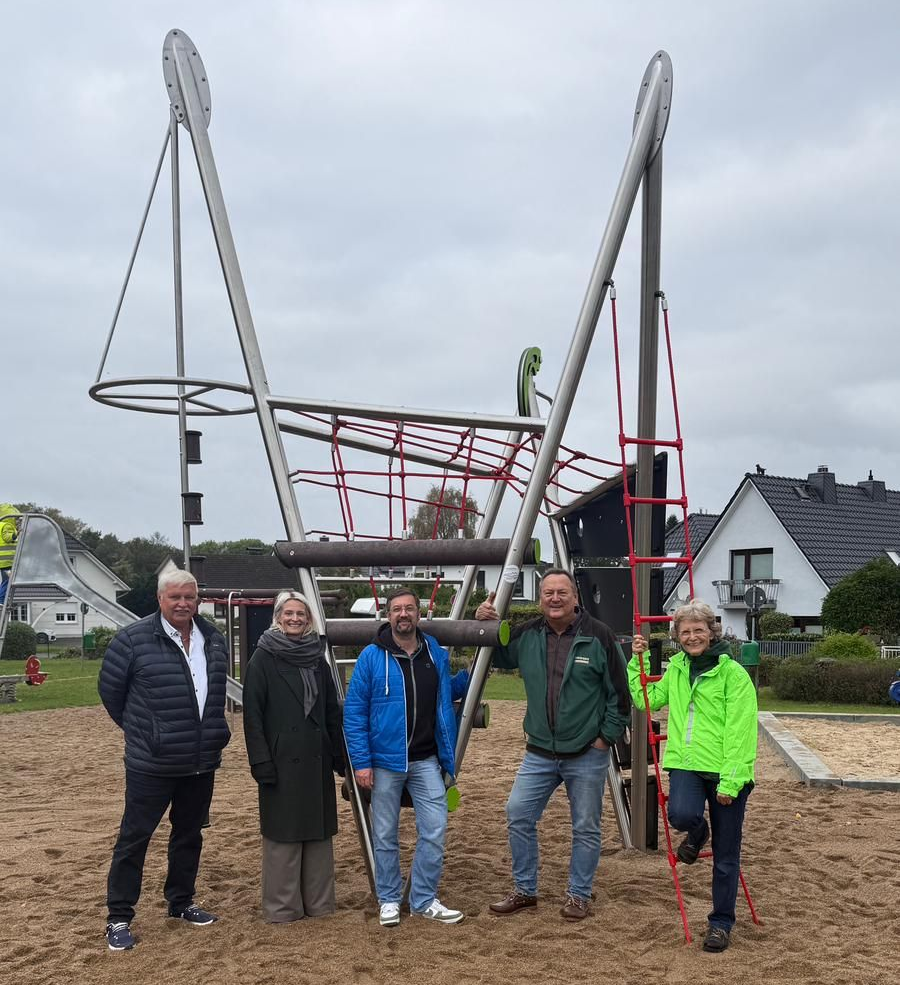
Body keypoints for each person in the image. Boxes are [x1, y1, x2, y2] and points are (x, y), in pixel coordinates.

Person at [475, 568, 630, 920]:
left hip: (586, 751)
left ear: (575, 597)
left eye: (562, 592)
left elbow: (620, 694)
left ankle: (578, 895)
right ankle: (525, 890)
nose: (555, 599)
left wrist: (605, 738)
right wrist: (485, 624)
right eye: (548, 593)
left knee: (586, 826)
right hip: (540, 751)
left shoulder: (598, 636)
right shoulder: (528, 633)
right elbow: (497, 656)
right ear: (540, 598)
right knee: (517, 814)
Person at [98, 569, 231, 951]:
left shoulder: (212, 639)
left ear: (198, 599)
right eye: (175, 597)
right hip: (151, 763)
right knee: (134, 838)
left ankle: (181, 901)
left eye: (189, 597)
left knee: (189, 834)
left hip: (201, 759)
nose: (183, 604)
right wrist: (146, 733)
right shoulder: (132, 641)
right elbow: (112, 694)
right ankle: (119, 916)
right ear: (160, 599)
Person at [629, 599, 757, 953]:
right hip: (686, 762)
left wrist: (731, 781)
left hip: (726, 769)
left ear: (711, 631)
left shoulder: (733, 675)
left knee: (726, 854)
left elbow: (741, 731)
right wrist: (636, 661)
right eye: (684, 632)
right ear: (677, 636)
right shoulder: (677, 669)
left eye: (698, 630)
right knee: (681, 814)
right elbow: (646, 700)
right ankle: (697, 832)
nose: (692, 637)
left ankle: (720, 923)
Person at [343, 587, 469, 927]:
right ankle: (388, 898)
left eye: (409, 609)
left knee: (435, 829)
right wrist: (362, 761)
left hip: (426, 759)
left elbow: (447, 691)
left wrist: (474, 671)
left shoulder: (435, 653)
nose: (403, 615)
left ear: (419, 613)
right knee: (384, 832)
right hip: (384, 762)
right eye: (397, 609)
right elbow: (355, 713)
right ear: (388, 616)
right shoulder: (371, 656)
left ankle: (423, 899)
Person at [242, 590, 345, 923]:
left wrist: (339, 757)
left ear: (309, 619)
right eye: (289, 613)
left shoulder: (317, 658)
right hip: (280, 760)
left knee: (317, 833)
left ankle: (319, 904)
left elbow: (331, 711)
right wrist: (260, 761)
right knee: (283, 835)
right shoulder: (262, 657)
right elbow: (253, 716)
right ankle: (283, 908)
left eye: (301, 614)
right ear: (278, 617)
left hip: (315, 758)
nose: (295, 619)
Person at [0, 504, 22, 604]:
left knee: (7, 580)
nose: (17, 520)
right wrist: (15, 534)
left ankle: (3, 600)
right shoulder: (7, 525)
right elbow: (7, 537)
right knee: (6, 582)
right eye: (15, 518)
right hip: (7, 561)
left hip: (4, 561)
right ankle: (1, 601)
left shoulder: (2, 524)